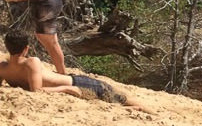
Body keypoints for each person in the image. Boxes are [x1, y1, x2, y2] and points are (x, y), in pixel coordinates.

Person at [0, 31, 145, 109]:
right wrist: (65, 89)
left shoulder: (3, 68)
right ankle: (154, 113)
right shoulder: (31, 62)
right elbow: (36, 90)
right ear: (26, 49)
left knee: (118, 98)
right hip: (76, 83)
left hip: (76, 82)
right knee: (121, 98)